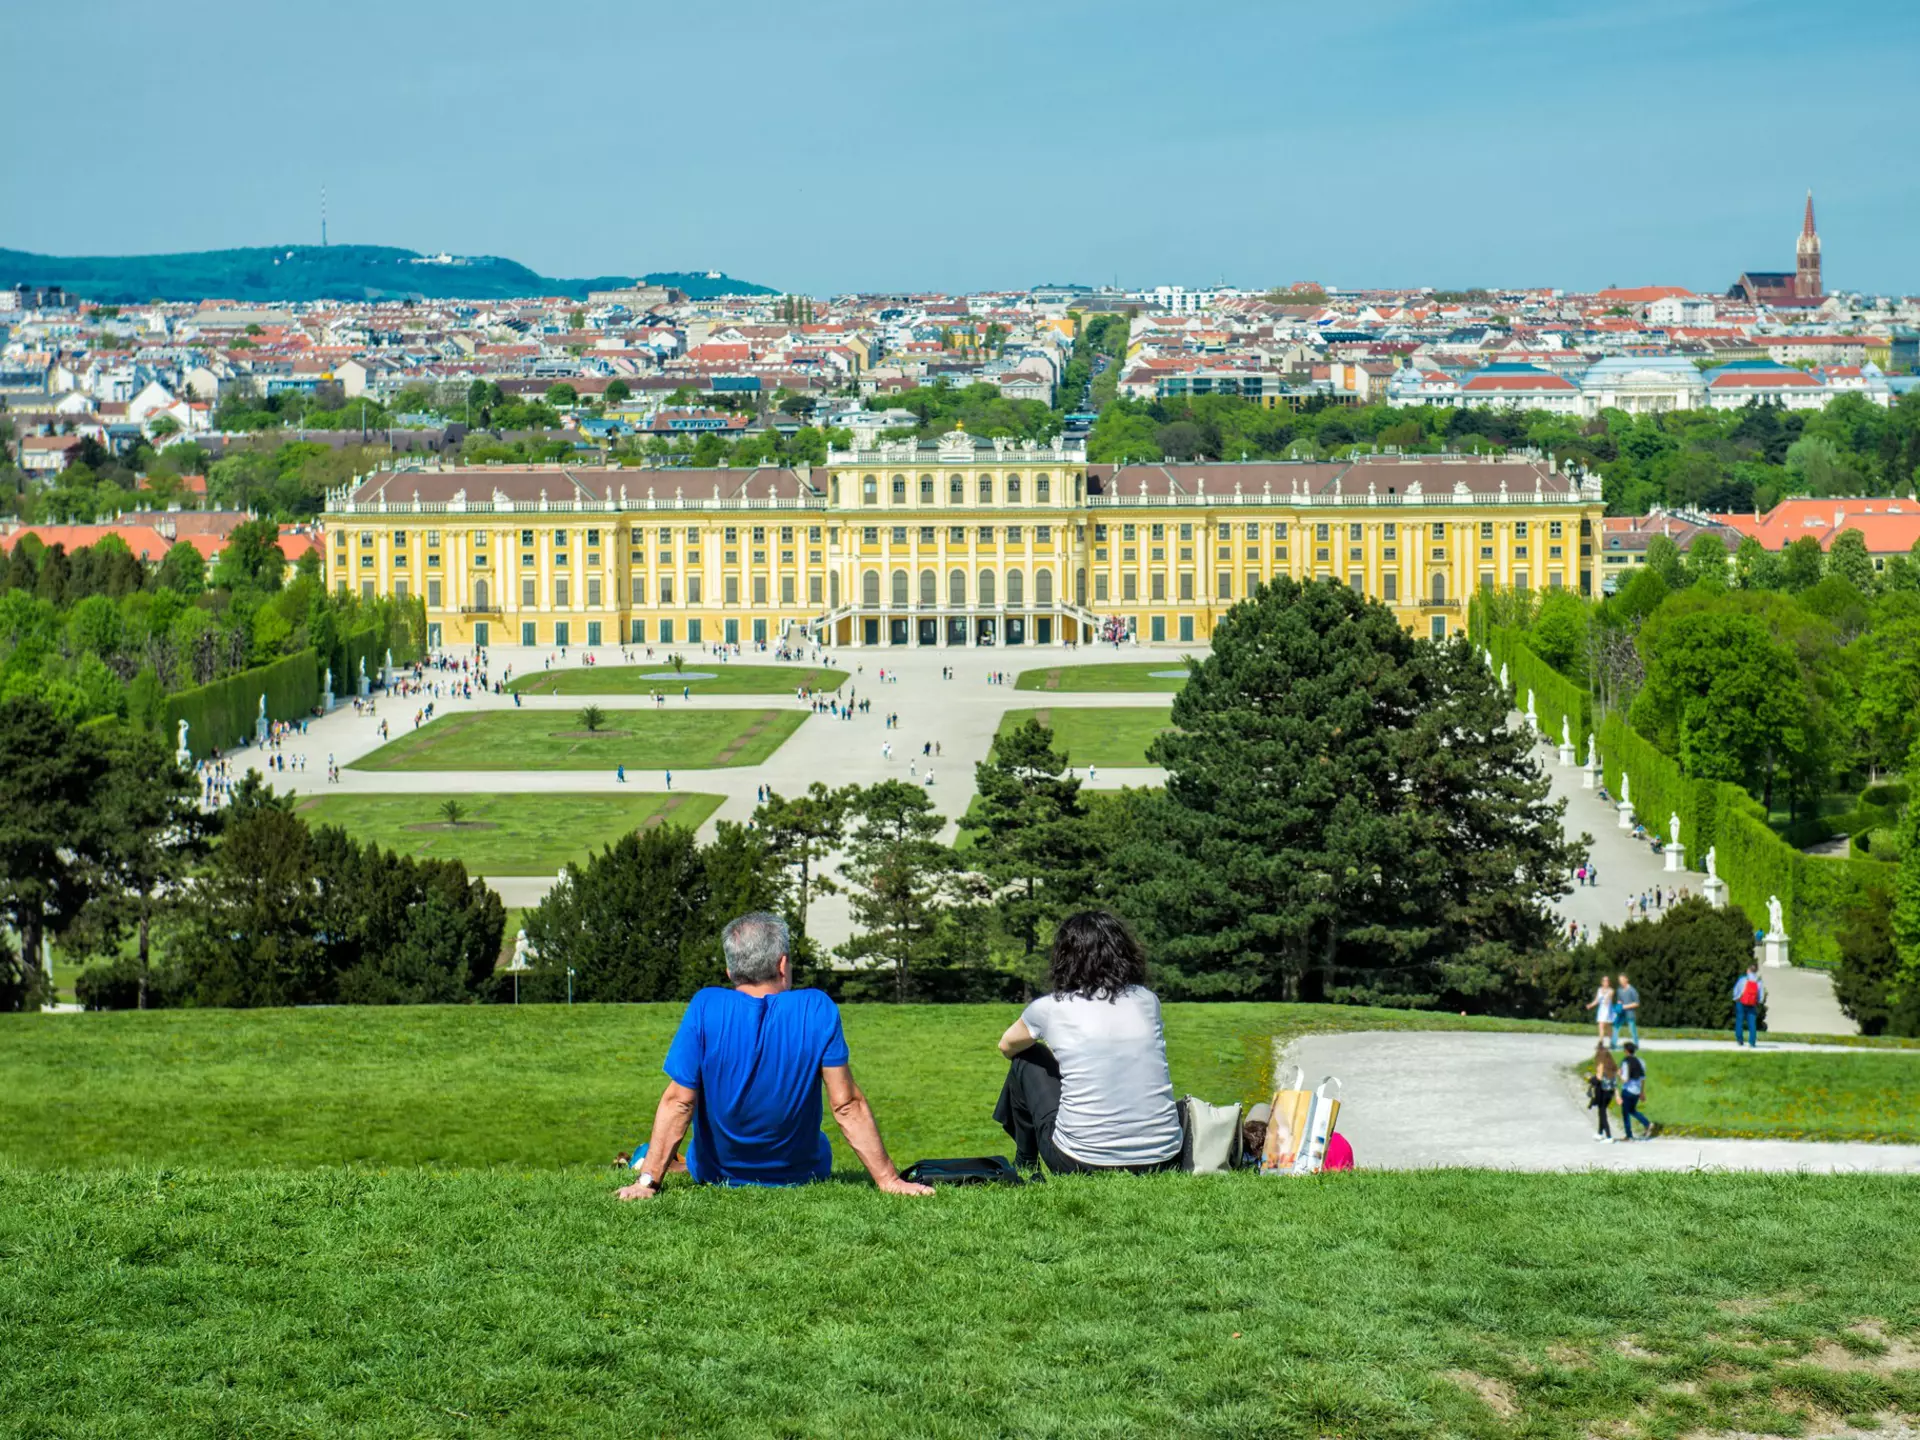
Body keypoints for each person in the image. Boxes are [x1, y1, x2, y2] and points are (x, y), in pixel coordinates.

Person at [616, 913, 931, 1199]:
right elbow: (846, 1105)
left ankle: (652, 1162)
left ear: (730, 971)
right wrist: (889, 1179)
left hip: (715, 1173)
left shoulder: (705, 1006)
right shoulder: (817, 1007)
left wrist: (647, 1184)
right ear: (783, 965)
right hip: (801, 1173)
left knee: (680, 1154)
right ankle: (661, 1161)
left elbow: (679, 1101)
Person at [992, 910, 1183, 1175]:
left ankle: (1025, 1162)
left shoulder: (1051, 1007)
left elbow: (1007, 1046)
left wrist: (1056, 1060)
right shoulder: (1147, 1000)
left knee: (1026, 1058)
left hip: (1081, 1160)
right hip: (1164, 1157)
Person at [1618, 1042, 1653, 1140]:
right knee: (1632, 1110)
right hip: (1637, 1090)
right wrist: (1642, 1092)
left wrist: (1619, 1074)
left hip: (1628, 1090)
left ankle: (1629, 1135)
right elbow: (1643, 1078)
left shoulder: (1626, 1062)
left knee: (1625, 1113)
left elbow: (1625, 1079)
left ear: (1626, 1051)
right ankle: (1647, 1123)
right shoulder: (1641, 1061)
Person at [1586, 1044, 1618, 1142]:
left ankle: (1609, 1136)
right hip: (1610, 1092)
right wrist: (1617, 1095)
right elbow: (1615, 1080)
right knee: (1602, 1111)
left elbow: (1599, 1078)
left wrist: (1590, 1079)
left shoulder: (1601, 1062)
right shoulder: (1612, 1065)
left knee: (1602, 1113)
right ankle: (1599, 1133)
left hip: (1602, 1091)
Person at [1732, 963, 1766, 1048]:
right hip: (1752, 1004)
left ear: (1749, 970)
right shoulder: (1759, 981)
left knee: (1739, 1020)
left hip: (1741, 1002)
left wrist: (1736, 998)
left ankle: (1740, 1040)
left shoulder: (1743, 979)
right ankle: (1752, 1042)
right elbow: (1761, 996)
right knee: (1752, 1023)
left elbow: (1736, 990)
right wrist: (1757, 1001)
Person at [1586, 974, 1616, 1046]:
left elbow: (1609, 996)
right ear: (1602, 982)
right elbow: (1597, 1000)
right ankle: (1601, 1042)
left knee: (1607, 1027)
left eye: (1607, 980)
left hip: (1608, 1010)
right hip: (1601, 1010)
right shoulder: (1599, 990)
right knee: (1601, 1025)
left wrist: (1607, 998)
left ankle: (1611, 1041)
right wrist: (1590, 1005)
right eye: (1604, 980)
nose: (1606, 982)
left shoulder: (1611, 990)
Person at [1616, 972, 1641, 1047]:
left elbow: (1637, 1003)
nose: (1621, 982)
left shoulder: (1632, 990)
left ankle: (1636, 1045)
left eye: (1622, 980)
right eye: (1619, 980)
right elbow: (1619, 1000)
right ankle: (1613, 1044)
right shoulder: (1619, 990)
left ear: (1627, 979)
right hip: (1621, 1014)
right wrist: (1618, 1006)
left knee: (1632, 1030)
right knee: (1616, 1027)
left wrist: (1625, 1006)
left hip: (1630, 1014)